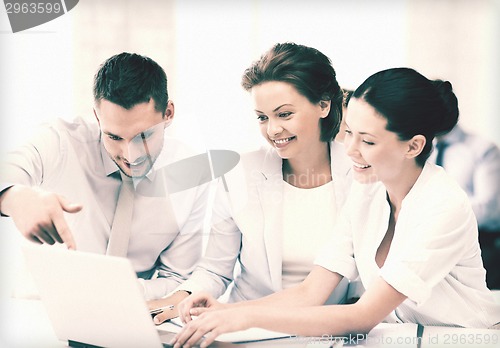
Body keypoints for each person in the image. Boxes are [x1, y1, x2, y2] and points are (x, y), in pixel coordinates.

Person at [169, 68, 500, 348]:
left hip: (466, 339)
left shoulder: (443, 205)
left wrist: (245, 316)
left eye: (367, 141)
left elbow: (362, 316)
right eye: (350, 134)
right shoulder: (367, 189)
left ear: (413, 146)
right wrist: (225, 312)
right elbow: (312, 291)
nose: (351, 150)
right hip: (402, 338)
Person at [149, 42, 353, 322]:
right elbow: (216, 270)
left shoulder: (362, 175)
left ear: (323, 105)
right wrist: (176, 301)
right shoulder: (240, 172)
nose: (273, 130)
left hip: (327, 326)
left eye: (284, 114)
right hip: (244, 328)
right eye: (262, 117)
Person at [0, 52, 209, 300]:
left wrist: (115, 294)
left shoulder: (192, 174)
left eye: (144, 136)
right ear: (98, 117)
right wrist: (13, 196)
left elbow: (176, 279)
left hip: (132, 316)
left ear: (168, 114)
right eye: (114, 137)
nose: (130, 155)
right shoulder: (61, 141)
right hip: (42, 313)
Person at [432, 122, 500, 289]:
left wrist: (435, 215)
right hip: (432, 246)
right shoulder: (419, 149)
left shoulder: (482, 149)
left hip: (478, 244)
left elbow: (487, 210)